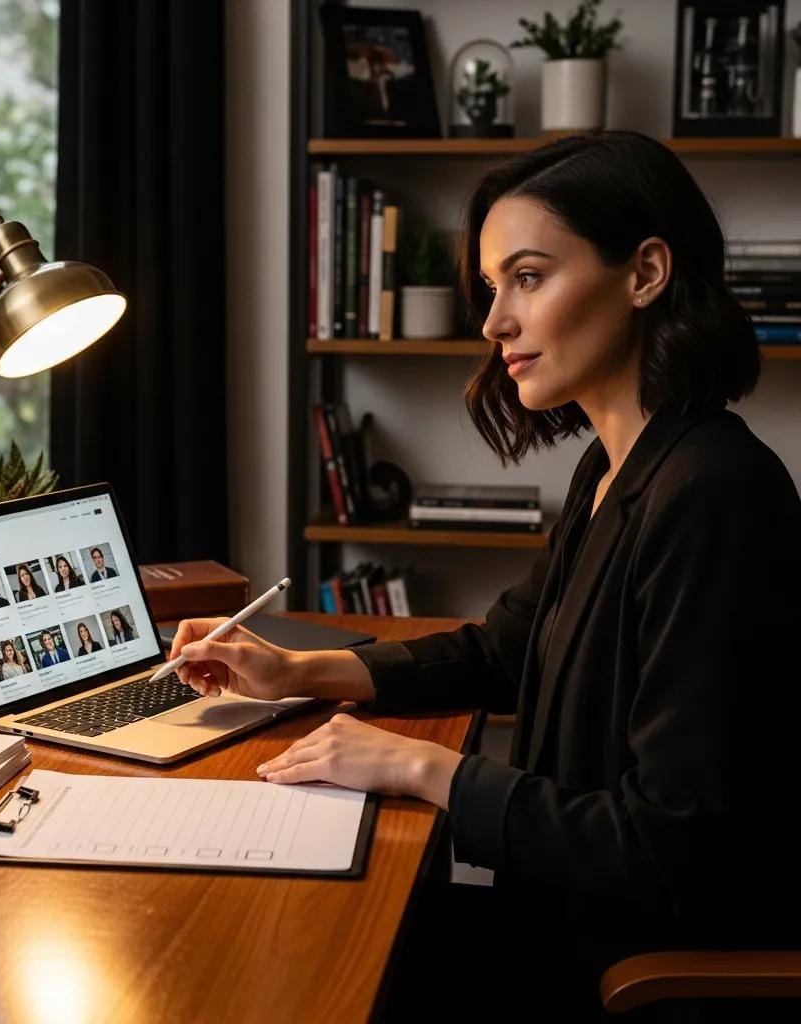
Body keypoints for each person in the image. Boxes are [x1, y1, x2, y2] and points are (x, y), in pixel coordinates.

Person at [170, 131, 801, 1021]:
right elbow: (508, 649)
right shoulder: (617, 467)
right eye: (494, 285)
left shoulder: (715, 498)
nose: (494, 321)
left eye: (529, 278)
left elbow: (672, 847)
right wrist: (295, 672)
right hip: (558, 918)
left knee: (289, 966)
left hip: (628, 968)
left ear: (646, 272)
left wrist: (421, 769)